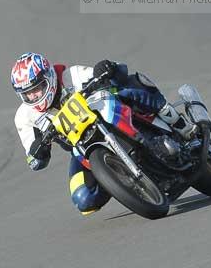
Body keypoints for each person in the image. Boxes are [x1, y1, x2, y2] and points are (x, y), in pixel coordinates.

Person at [11, 53, 195, 216]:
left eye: (37, 88)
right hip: (81, 149)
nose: (34, 96)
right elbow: (33, 161)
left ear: (49, 77)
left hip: (107, 115)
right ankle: (128, 183)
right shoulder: (24, 117)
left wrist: (107, 68)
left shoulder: (71, 75)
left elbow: (115, 73)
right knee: (83, 199)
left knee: (125, 86)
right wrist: (38, 152)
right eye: (27, 94)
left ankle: (180, 124)